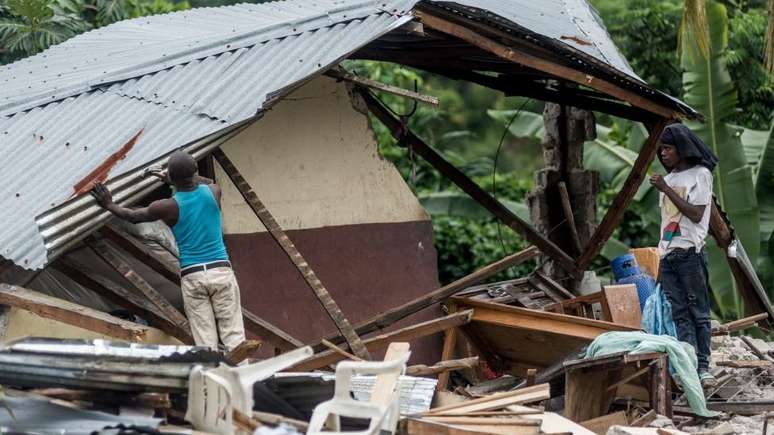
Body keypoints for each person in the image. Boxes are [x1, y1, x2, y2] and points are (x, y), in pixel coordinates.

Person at [91, 151, 246, 352]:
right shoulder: (213, 192)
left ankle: (212, 374)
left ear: (172, 177)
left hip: (194, 276)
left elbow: (133, 216)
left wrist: (109, 204)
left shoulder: (167, 206)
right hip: (221, 271)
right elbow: (206, 181)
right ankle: (243, 375)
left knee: (205, 342)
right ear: (194, 172)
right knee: (234, 337)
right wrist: (174, 178)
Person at [649, 123, 718, 388]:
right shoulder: (672, 178)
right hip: (669, 255)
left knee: (698, 312)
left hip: (690, 253)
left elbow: (697, 213)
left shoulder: (700, 175)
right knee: (679, 313)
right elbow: (667, 222)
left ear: (682, 148)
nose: (663, 154)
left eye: (668, 148)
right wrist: (661, 255)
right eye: (661, 149)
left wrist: (666, 189)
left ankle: (703, 366)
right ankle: (688, 363)